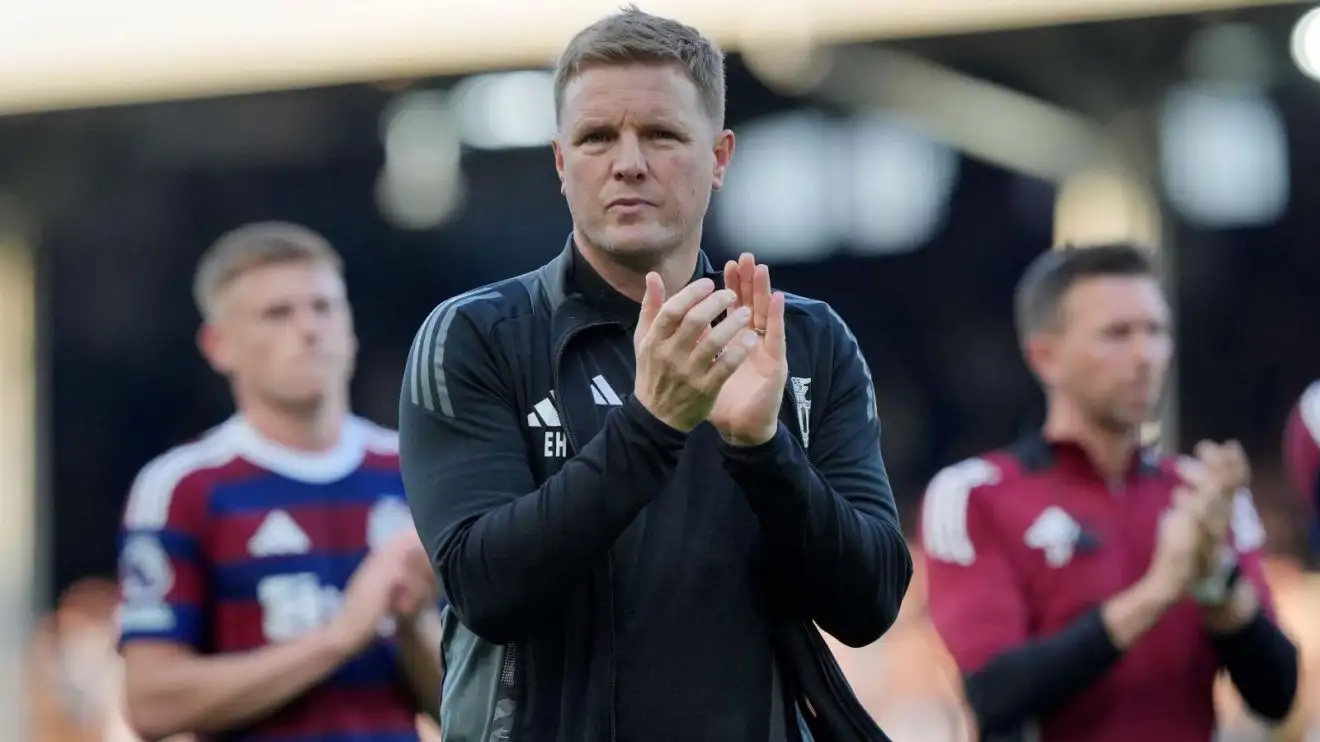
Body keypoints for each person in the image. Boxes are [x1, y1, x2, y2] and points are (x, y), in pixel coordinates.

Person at [397, 7, 911, 742]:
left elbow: (870, 607)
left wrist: (764, 450)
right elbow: (484, 589)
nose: (628, 162)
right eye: (597, 137)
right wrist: (653, 425)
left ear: (721, 156)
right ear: (560, 162)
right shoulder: (476, 334)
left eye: (662, 134)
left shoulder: (805, 339)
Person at [919, 243, 1299, 742]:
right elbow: (994, 693)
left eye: (1156, 331)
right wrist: (1156, 593)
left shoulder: (1200, 497)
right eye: (1117, 334)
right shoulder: (975, 495)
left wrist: (1216, 582)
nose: (1146, 355)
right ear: (1046, 357)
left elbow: (1277, 695)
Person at [115, 223, 444, 742]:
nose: (309, 328)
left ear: (351, 327)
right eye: (277, 313)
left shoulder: (419, 469)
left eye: (324, 306)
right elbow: (152, 705)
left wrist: (413, 623)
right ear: (219, 345)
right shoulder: (182, 486)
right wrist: (337, 638)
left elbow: (471, 709)